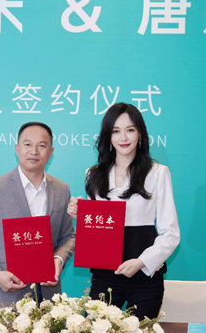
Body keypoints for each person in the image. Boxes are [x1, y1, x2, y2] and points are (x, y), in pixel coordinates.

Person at [67, 103, 179, 320]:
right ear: (108, 136)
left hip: (145, 274)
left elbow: (171, 233)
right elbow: (96, 227)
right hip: (104, 274)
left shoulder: (157, 173)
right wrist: (81, 214)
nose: (123, 137)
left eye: (130, 130)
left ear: (140, 134)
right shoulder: (93, 174)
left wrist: (142, 262)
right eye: (116, 131)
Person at [0, 122, 75, 305]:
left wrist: (59, 259)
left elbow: (68, 236)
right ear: (17, 149)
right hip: (7, 298)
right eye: (27, 144)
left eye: (41, 145)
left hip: (50, 299)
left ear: (51, 152)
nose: (34, 151)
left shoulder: (62, 189)